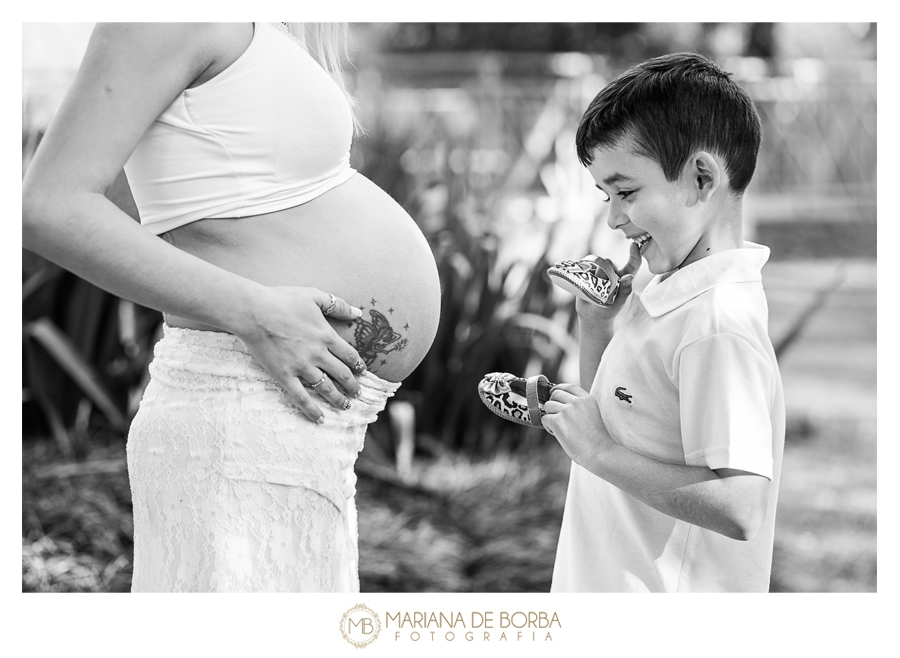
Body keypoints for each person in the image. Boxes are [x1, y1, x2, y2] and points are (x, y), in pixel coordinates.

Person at [22, 22, 441, 592]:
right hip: (237, 414)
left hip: (293, 424)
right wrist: (254, 310)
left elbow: (157, 192)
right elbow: (51, 206)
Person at [542, 52, 785, 592]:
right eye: (606, 195)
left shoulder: (716, 324)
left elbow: (741, 504)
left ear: (701, 178)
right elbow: (622, 417)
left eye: (626, 192)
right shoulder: (663, 291)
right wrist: (598, 326)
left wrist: (597, 452)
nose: (613, 217)